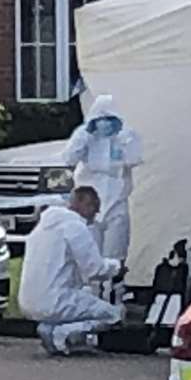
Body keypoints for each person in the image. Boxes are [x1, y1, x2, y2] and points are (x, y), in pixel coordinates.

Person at [17, 186, 124, 356]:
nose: (94, 216)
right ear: (85, 204)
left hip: (28, 301)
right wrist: (116, 267)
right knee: (114, 315)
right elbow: (94, 269)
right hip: (54, 299)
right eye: (94, 209)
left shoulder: (43, 226)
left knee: (82, 296)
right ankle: (61, 334)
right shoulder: (75, 227)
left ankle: (48, 328)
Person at [61, 94, 142, 259]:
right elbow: (69, 159)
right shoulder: (84, 135)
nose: (105, 123)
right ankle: (91, 285)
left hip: (117, 201)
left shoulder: (127, 135)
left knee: (116, 251)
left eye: (109, 118)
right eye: (101, 118)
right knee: (89, 253)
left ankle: (113, 285)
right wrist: (86, 135)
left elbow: (134, 159)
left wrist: (122, 139)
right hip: (88, 202)